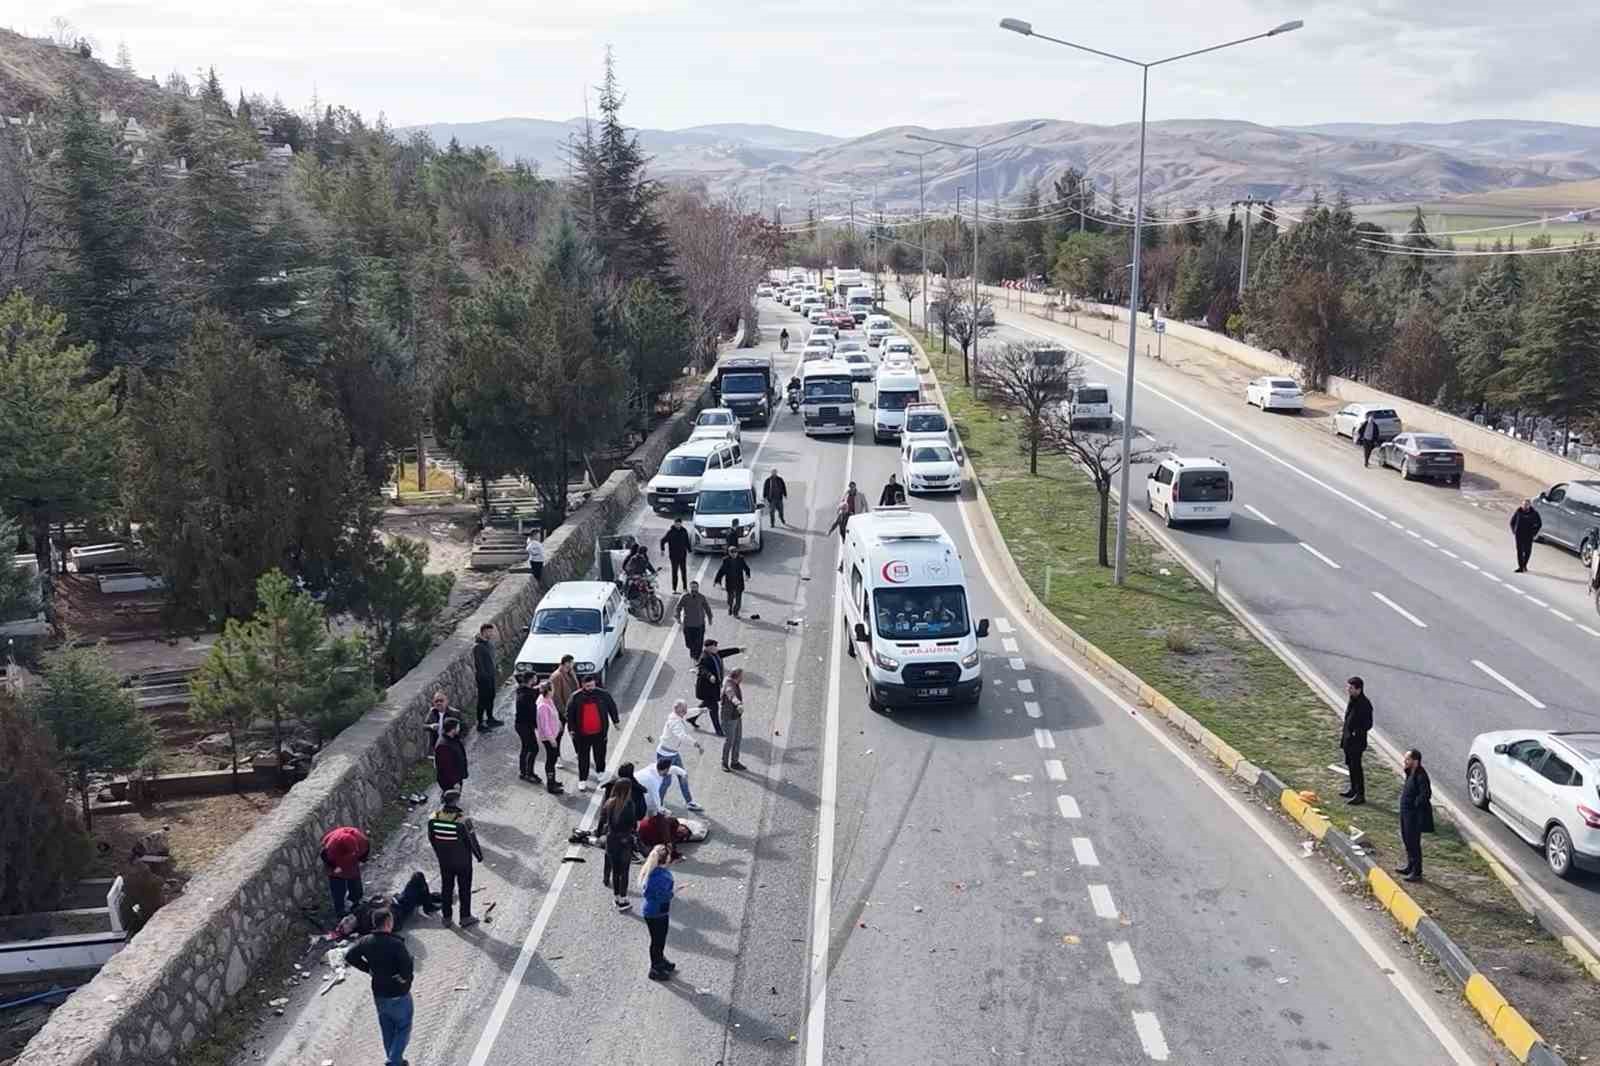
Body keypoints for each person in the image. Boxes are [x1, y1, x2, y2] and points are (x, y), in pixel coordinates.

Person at [343, 907, 414, 1066]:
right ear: (388, 923)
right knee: (403, 1027)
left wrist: (368, 969)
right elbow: (407, 966)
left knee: (387, 1029)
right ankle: (393, 1061)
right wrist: (405, 980)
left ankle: (396, 1060)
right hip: (397, 993)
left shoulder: (366, 941)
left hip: (379, 993)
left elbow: (350, 955)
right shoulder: (396, 943)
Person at [426, 788, 483, 928]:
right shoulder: (462, 820)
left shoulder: (433, 818)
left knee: (447, 887)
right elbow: (472, 841)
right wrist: (479, 856)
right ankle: (465, 917)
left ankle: (446, 917)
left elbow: (432, 839)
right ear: (456, 801)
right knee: (464, 888)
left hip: (445, 860)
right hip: (463, 861)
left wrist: (440, 853)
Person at [565, 675, 621, 791]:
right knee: (583, 757)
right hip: (582, 734)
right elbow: (569, 714)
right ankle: (582, 779)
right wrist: (571, 729)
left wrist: (616, 721)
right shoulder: (575, 697)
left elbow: (612, 707)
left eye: (592, 685)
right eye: (588, 686)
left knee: (600, 753)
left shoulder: (603, 694)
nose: (591, 688)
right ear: (582, 686)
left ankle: (600, 771)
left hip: (600, 732)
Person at [688, 638, 742, 734]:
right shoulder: (704, 657)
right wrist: (710, 676)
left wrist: (738, 650)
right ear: (709, 648)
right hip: (707, 689)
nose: (716, 648)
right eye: (714, 647)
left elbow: (725, 652)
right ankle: (718, 730)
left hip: (714, 688)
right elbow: (702, 669)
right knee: (714, 709)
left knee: (706, 704)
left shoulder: (715, 654)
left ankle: (692, 718)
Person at [655, 699, 705, 801]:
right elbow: (682, 736)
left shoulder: (679, 715)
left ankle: (689, 801)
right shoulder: (674, 721)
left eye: (685, 710)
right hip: (666, 755)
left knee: (682, 775)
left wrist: (700, 710)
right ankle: (658, 803)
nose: (685, 712)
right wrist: (696, 744)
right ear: (677, 710)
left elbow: (689, 712)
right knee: (666, 782)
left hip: (673, 753)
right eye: (683, 710)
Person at [640, 844, 676, 981]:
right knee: (658, 941)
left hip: (651, 910)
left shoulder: (651, 871)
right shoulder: (662, 877)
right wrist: (673, 893)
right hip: (657, 913)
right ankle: (655, 967)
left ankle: (660, 960)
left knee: (658, 940)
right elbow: (663, 896)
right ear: (665, 859)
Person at [1396, 748, 1433, 883]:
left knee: (1413, 843)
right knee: (1406, 840)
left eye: (1407, 759)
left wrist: (1414, 806)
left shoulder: (1421, 775)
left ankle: (1417, 872)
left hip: (1413, 815)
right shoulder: (1409, 772)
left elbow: (1426, 794)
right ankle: (1410, 866)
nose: (1404, 761)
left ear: (1415, 761)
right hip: (1405, 813)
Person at [601, 779, 638, 910]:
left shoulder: (609, 803)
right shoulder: (630, 805)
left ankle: (616, 897)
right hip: (624, 842)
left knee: (616, 871)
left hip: (611, 841)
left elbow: (603, 820)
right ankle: (623, 898)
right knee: (625, 872)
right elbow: (633, 825)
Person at [320, 825, 370, 920]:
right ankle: (340, 910)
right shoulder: (330, 847)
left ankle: (356, 901)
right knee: (337, 885)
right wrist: (336, 867)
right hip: (335, 862)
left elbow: (366, 846)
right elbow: (324, 856)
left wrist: (362, 857)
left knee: (354, 878)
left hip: (349, 861)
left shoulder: (359, 839)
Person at [1340, 676, 1373, 806]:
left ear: (1358, 689)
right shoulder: (1352, 700)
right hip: (1348, 740)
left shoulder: (1364, 704)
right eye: (1348, 687)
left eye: (1351, 688)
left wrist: (1356, 732)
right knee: (1350, 765)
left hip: (1356, 742)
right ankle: (1353, 789)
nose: (1348, 689)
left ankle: (1360, 795)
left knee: (1356, 767)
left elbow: (1368, 724)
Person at [534, 679, 565, 794]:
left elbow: (554, 712)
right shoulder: (542, 706)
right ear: (549, 690)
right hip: (548, 737)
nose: (554, 690)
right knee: (551, 760)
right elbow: (545, 725)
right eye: (553, 688)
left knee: (553, 758)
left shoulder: (548, 700)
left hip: (553, 733)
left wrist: (559, 723)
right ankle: (551, 785)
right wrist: (552, 740)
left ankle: (553, 781)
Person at [513, 671, 543, 785]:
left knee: (526, 747)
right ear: (531, 679)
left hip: (521, 725)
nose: (537, 680)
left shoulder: (522, 690)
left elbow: (532, 691)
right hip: (525, 725)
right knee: (533, 748)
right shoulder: (527, 695)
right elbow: (532, 710)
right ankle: (528, 773)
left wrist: (537, 689)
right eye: (535, 678)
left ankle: (524, 771)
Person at [675, 580, 714, 660]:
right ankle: (693, 652)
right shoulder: (685, 597)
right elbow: (678, 607)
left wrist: (710, 618)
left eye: (695, 587)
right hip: (688, 624)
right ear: (690, 588)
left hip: (699, 624)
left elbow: (707, 608)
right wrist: (678, 617)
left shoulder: (701, 597)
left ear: (698, 588)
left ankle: (697, 657)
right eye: (692, 587)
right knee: (689, 643)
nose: (693, 589)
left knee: (699, 643)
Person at [473, 623, 502, 730]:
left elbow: (493, 659)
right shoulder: (478, 647)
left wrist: (497, 668)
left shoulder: (489, 644)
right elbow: (479, 665)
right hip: (483, 679)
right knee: (482, 700)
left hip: (491, 677)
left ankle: (490, 718)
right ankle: (480, 723)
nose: (492, 633)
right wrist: (485, 678)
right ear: (484, 631)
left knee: (491, 698)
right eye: (490, 631)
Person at [721, 667, 748, 772]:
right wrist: (738, 704)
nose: (742, 678)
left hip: (736, 716)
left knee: (737, 739)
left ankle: (734, 762)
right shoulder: (729, 686)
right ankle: (724, 763)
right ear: (737, 677)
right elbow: (731, 696)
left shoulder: (731, 681)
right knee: (729, 741)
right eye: (742, 676)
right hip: (729, 718)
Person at [434, 717, 468, 801]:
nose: (459, 728)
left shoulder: (453, 738)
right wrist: (455, 782)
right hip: (450, 782)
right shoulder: (443, 746)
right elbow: (447, 768)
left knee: (454, 799)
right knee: (451, 800)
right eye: (457, 727)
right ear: (452, 729)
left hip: (456, 778)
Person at [714, 547, 752, 617]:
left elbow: (746, 568)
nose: (734, 554)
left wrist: (747, 575)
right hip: (730, 583)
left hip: (739, 583)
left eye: (735, 552)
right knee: (730, 600)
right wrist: (717, 581)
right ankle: (730, 607)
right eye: (732, 552)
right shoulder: (726, 560)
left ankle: (735, 612)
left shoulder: (741, 559)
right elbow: (721, 571)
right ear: (729, 553)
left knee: (738, 602)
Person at [422, 690, 461, 754]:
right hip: (436, 746)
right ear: (433, 702)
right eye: (436, 701)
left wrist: (456, 734)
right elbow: (424, 726)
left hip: (451, 746)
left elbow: (464, 729)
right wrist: (431, 726)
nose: (439, 703)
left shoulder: (455, 713)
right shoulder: (432, 713)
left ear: (447, 701)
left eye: (441, 700)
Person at [1510, 499, 1542, 573]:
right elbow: (1512, 522)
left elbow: (1539, 524)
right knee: (1520, 551)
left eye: (1526, 505)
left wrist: (1534, 533)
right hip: (1519, 535)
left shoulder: (1534, 513)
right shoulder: (1518, 512)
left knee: (1527, 551)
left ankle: (1524, 565)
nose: (1525, 506)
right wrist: (1514, 531)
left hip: (1528, 535)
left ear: (1529, 505)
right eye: (1524, 505)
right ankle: (1520, 567)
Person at [661, 518, 691, 593]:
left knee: (683, 571)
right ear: (674, 524)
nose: (678, 525)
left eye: (679, 524)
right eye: (676, 524)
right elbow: (662, 541)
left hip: (683, 555)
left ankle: (685, 587)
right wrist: (662, 550)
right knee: (674, 572)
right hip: (673, 556)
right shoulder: (670, 532)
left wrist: (689, 549)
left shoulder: (684, 531)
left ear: (681, 523)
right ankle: (674, 589)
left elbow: (687, 541)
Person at [549, 655, 580, 725]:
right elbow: (556, 697)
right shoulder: (557, 676)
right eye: (572, 662)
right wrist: (564, 712)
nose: (573, 664)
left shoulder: (571, 672)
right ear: (566, 663)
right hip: (563, 710)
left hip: (572, 706)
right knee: (559, 731)